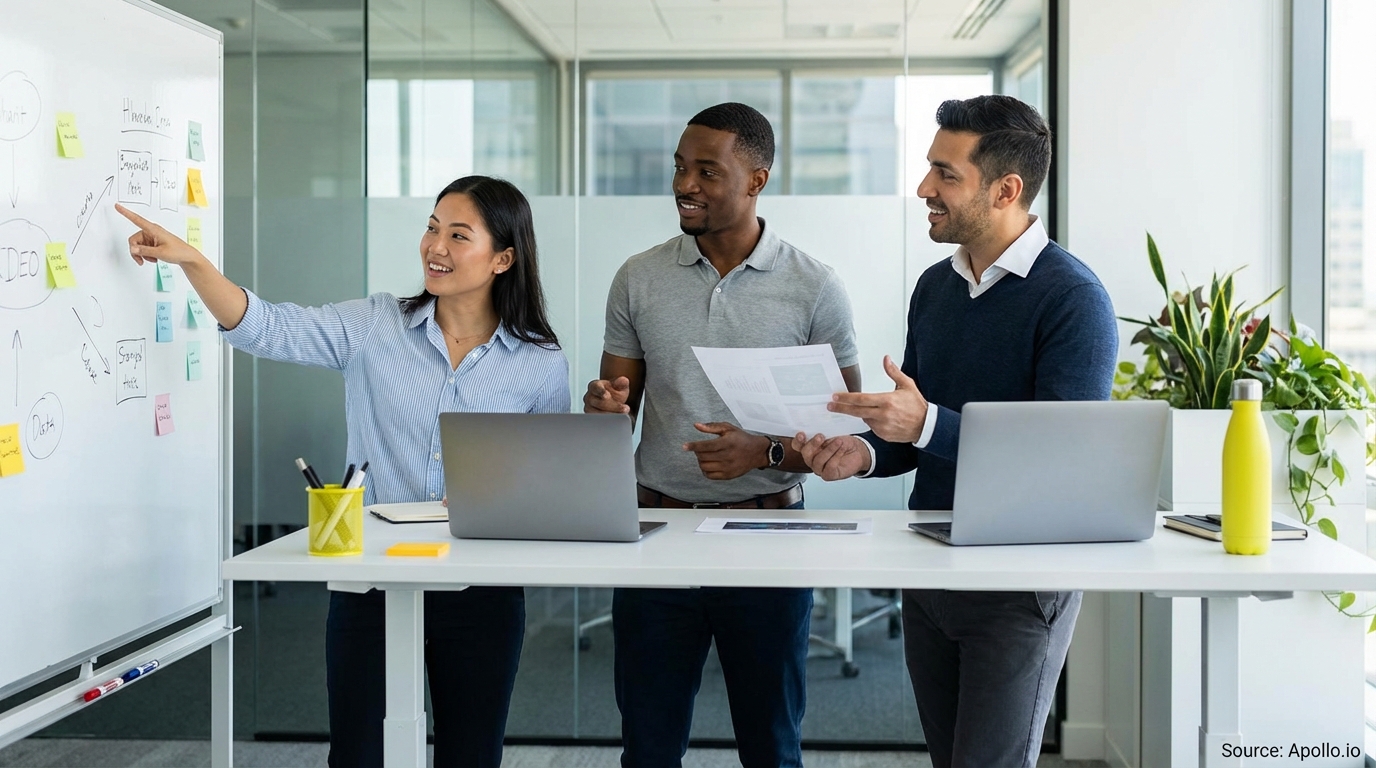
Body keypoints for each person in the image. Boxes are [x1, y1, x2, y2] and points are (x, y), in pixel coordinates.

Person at [114, 175, 569, 768]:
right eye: (433, 227)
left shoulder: (538, 361)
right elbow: (268, 328)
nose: (436, 247)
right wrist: (193, 263)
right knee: (358, 754)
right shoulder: (375, 325)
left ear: (503, 258)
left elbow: (546, 478)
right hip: (371, 580)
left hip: (480, 584)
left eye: (459, 236)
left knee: (472, 753)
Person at [793, 95, 1118, 767]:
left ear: (1006, 190)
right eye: (928, 169)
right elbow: (914, 430)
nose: (923, 189)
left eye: (946, 174)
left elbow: (1061, 459)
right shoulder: (934, 289)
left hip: (1018, 585)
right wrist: (860, 453)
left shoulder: (1073, 299)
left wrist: (928, 422)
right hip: (930, 569)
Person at [583, 102, 861, 768]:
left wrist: (763, 451)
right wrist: (603, 410)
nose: (686, 185)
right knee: (647, 745)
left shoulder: (814, 285)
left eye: (708, 170)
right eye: (681, 167)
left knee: (770, 744)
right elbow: (614, 412)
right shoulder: (638, 276)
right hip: (657, 531)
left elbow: (846, 437)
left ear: (757, 179)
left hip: (771, 536)